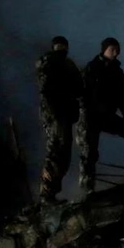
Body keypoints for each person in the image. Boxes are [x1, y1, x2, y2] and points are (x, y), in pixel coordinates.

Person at [78, 37, 124, 194]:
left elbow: (123, 98)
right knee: (89, 151)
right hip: (90, 117)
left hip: (107, 116)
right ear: (104, 50)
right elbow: (82, 95)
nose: (115, 53)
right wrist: (89, 112)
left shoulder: (117, 72)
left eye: (117, 50)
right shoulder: (91, 69)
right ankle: (87, 188)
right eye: (112, 50)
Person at [36, 35, 83, 203]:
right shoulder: (54, 63)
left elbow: (78, 88)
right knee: (58, 152)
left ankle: (49, 193)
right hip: (57, 115)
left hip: (60, 114)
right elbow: (47, 91)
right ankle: (47, 194)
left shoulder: (58, 63)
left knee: (61, 153)